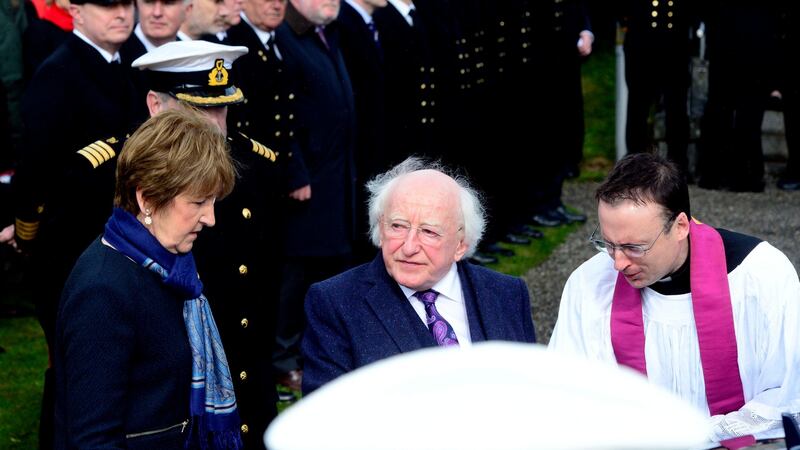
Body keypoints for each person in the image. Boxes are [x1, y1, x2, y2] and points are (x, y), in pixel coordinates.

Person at [549, 153, 800, 445]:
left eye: (634, 247)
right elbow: (566, 390)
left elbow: (788, 390)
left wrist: (699, 437)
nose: (618, 263)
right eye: (607, 244)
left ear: (680, 226)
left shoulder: (759, 274)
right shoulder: (590, 283)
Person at [53, 108, 242, 449]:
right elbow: (93, 439)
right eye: (198, 201)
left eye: (213, 201)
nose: (211, 218)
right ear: (147, 198)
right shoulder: (103, 290)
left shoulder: (171, 266)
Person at [301, 156, 537, 394]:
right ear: (380, 228)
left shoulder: (507, 294)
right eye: (398, 226)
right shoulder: (335, 303)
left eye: (429, 231)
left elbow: (534, 394)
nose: (409, 246)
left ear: (461, 244)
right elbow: (326, 420)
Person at [271, 0, 356, 392]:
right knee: (296, 271)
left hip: (334, 173)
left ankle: (316, 349)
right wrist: (296, 170)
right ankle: (284, 357)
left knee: (324, 264)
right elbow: (284, 113)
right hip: (306, 179)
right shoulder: (287, 37)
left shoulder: (325, 32)